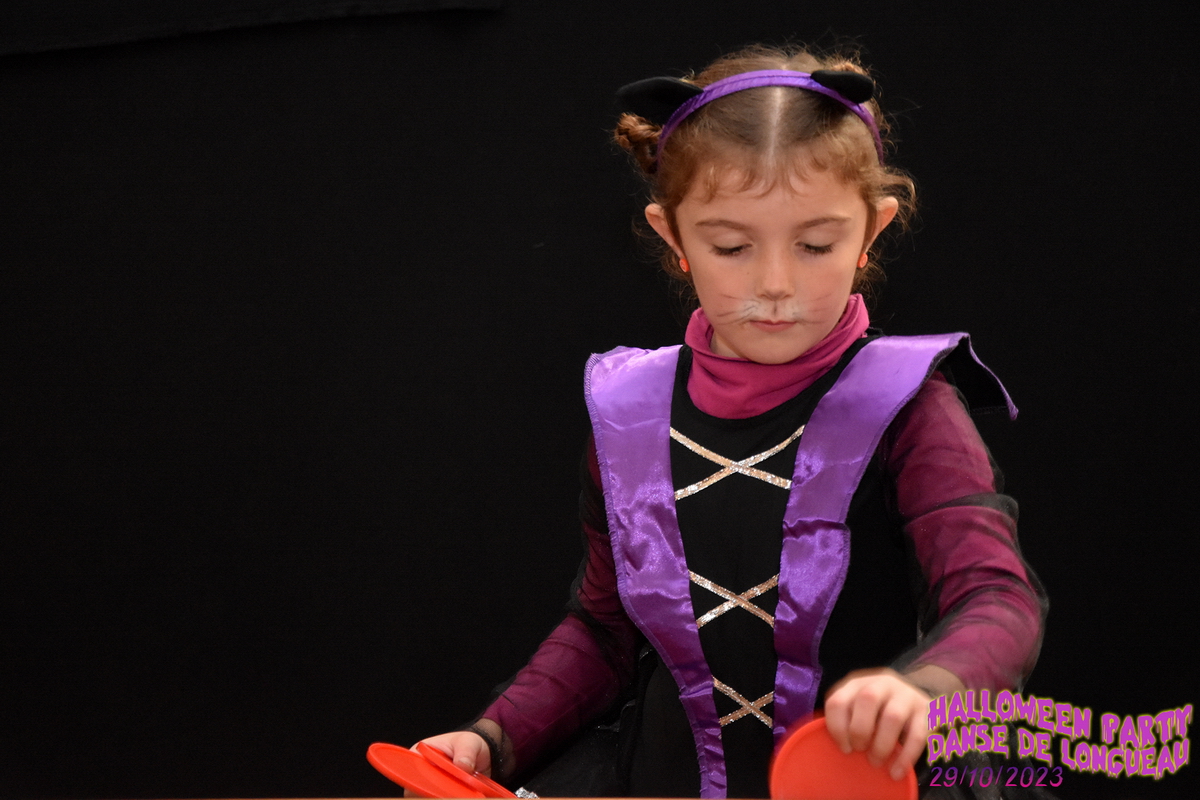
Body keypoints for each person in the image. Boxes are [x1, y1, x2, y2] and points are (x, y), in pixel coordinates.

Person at [410, 44, 1047, 799]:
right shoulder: (630, 410)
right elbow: (604, 635)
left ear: (871, 232)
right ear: (672, 237)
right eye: (732, 246)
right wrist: (492, 739)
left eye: (816, 244)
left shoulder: (911, 404)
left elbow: (995, 597)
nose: (775, 283)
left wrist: (927, 687)